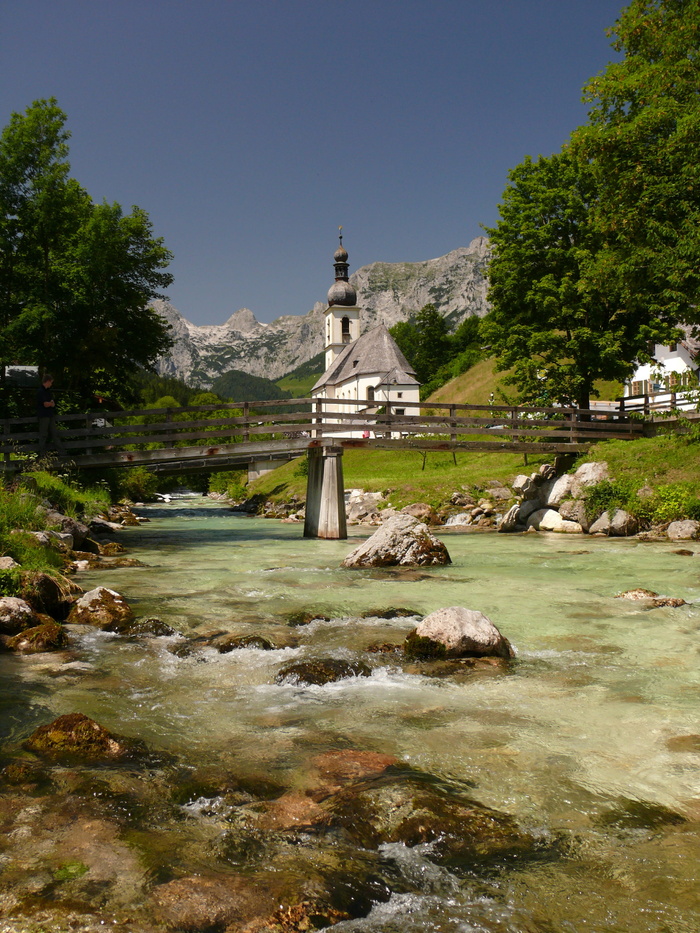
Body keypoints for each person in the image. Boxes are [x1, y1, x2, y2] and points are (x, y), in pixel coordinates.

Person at [36, 374, 65, 456]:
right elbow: (45, 404)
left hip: (50, 414)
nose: (51, 384)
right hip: (43, 415)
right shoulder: (40, 392)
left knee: (55, 434)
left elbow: (53, 403)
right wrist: (50, 403)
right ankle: (42, 454)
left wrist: (50, 403)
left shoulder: (48, 391)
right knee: (43, 435)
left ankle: (62, 453)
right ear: (48, 381)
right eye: (51, 382)